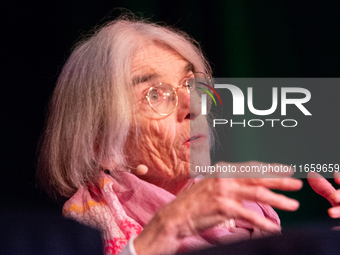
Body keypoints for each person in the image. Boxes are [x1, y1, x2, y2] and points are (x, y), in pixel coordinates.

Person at [37, 15, 303, 255]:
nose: (194, 106)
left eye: (190, 83)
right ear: (100, 146)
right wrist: (167, 226)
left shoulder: (245, 205)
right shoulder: (79, 236)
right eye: (154, 94)